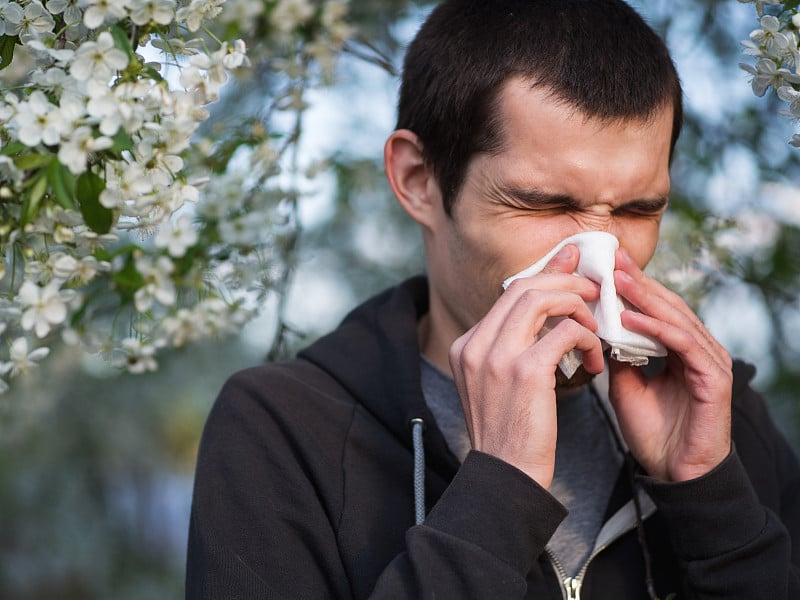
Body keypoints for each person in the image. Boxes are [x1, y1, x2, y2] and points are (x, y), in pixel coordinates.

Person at [185, 0, 800, 598]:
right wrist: (496, 496)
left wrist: (713, 502)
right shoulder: (283, 429)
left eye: (640, 210)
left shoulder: (719, 418)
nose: (604, 258)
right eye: (545, 204)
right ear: (419, 182)